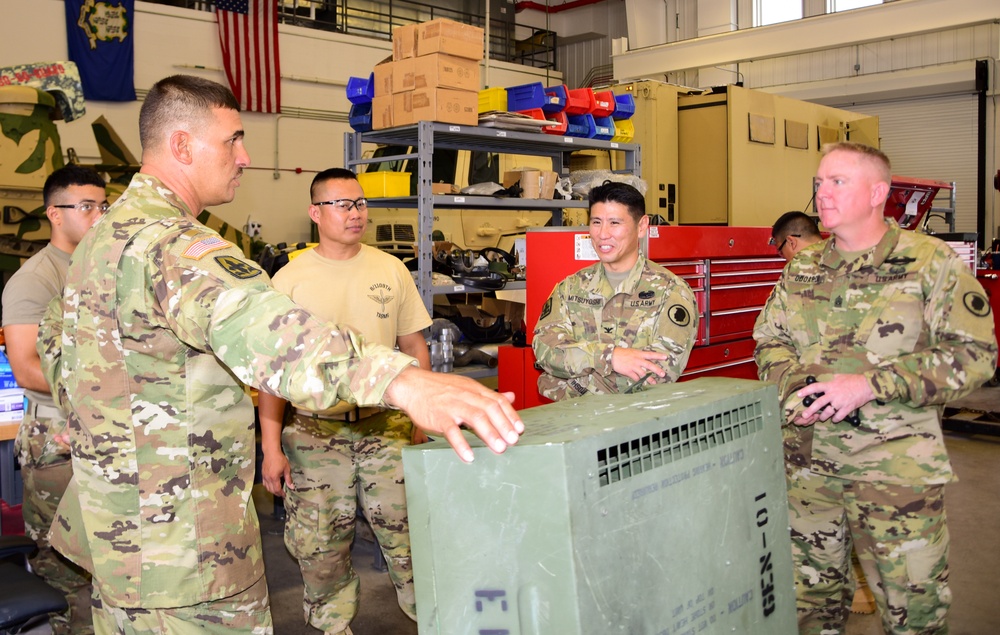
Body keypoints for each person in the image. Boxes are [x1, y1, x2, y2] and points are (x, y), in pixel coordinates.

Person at [35, 75, 523, 634]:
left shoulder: (101, 240)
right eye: (233, 140)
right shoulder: (172, 244)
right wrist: (405, 382)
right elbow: (265, 329)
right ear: (182, 146)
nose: (245, 156)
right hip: (185, 554)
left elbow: (63, 356)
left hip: (119, 537)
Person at [753, 141, 997, 635]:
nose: (822, 194)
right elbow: (768, 342)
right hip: (807, 471)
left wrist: (868, 385)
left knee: (913, 614)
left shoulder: (927, 262)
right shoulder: (802, 267)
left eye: (838, 182)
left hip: (894, 476)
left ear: (877, 192)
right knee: (808, 608)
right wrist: (799, 386)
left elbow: (975, 356)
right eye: (819, 183)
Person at [258, 168, 429, 635]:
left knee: (408, 532)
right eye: (342, 205)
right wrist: (271, 448)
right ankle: (334, 626)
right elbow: (272, 375)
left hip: (385, 424)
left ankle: (432, 617)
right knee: (321, 542)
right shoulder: (289, 281)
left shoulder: (390, 268)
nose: (356, 214)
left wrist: (420, 413)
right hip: (315, 431)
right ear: (316, 213)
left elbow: (414, 348)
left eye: (360, 204)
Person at [0, 164, 106, 634]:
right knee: (65, 568)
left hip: (106, 430)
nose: (98, 216)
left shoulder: (103, 267)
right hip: (57, 440)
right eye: (85, 207)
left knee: (110, 556)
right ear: (54, 214)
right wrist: (107, 388)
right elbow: (25, 366)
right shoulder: (35, 280)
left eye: (103, 205)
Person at [533, 181, 698, 400]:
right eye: (596, 222)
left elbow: (657, 374)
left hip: (637, 426)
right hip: (572, 424)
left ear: (641, 226)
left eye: (614, 223)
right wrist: (609, 358)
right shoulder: (570, 287)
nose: (603, 234)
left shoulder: (670, 292)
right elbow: (544, 350)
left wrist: (569, 381)